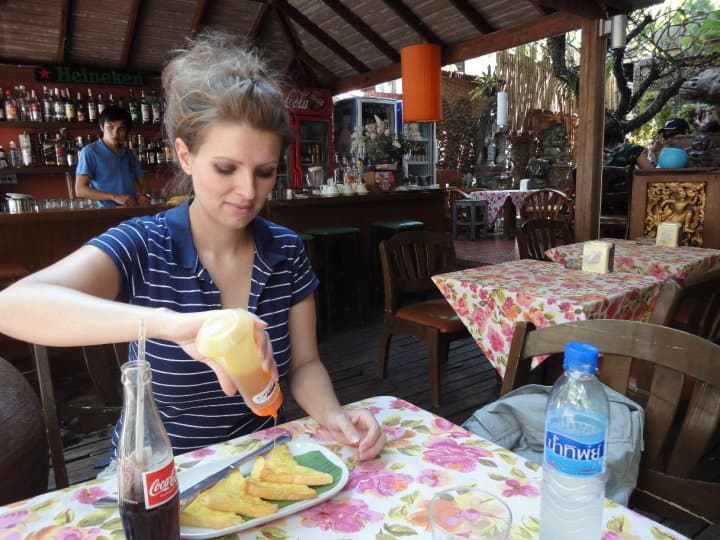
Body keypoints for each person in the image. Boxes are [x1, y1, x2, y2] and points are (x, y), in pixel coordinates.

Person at [0, 33, 385, 465]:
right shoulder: (145, 244)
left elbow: (304, 365)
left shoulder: (286, 250)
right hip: (158, 475)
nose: (247, 191)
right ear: (185, 155)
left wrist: (334, 413)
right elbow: (13, 306)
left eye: (264, 172)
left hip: (258, 465)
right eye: (225, 168)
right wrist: (170, 326)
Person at [75, 105, 149, 208]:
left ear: (126, 131)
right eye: (111, 127)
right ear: (102, 127)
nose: (115, 133)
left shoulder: (129, 153)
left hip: (130, 212)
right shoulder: (90, 152)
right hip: (105, 214)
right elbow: (80, 190)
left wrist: (144, 196)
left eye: (121, 129)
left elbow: (144, 183)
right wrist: (114, 197)